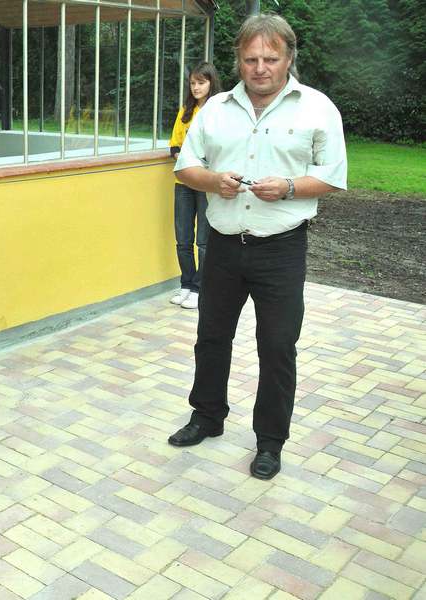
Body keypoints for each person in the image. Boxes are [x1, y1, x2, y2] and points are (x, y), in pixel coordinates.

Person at [168, 14, 347, 480]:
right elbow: (186, 167)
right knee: (211, 337)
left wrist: (289, 187)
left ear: (289, 58)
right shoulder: (215, 108)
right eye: (251, 59)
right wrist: (214, 181)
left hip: (281, 250)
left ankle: (270, 441)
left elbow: (332, 176)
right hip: (223, 247)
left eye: (270, 58)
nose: (260, 68)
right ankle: (207, 416)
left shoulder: (317, 108)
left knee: (278, 346)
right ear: (239, 60)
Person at [168, 62, 221, 310]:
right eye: (192, 83)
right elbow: (174, 145)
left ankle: (201, 288)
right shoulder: (186, 111)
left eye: (201, 82)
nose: (196, 87)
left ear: (211, 83)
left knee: (204, 241)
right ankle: (186, 284)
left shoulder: (219, 111)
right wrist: (181, 156)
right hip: (183, 182)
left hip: (206, 182)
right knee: (183, 238)